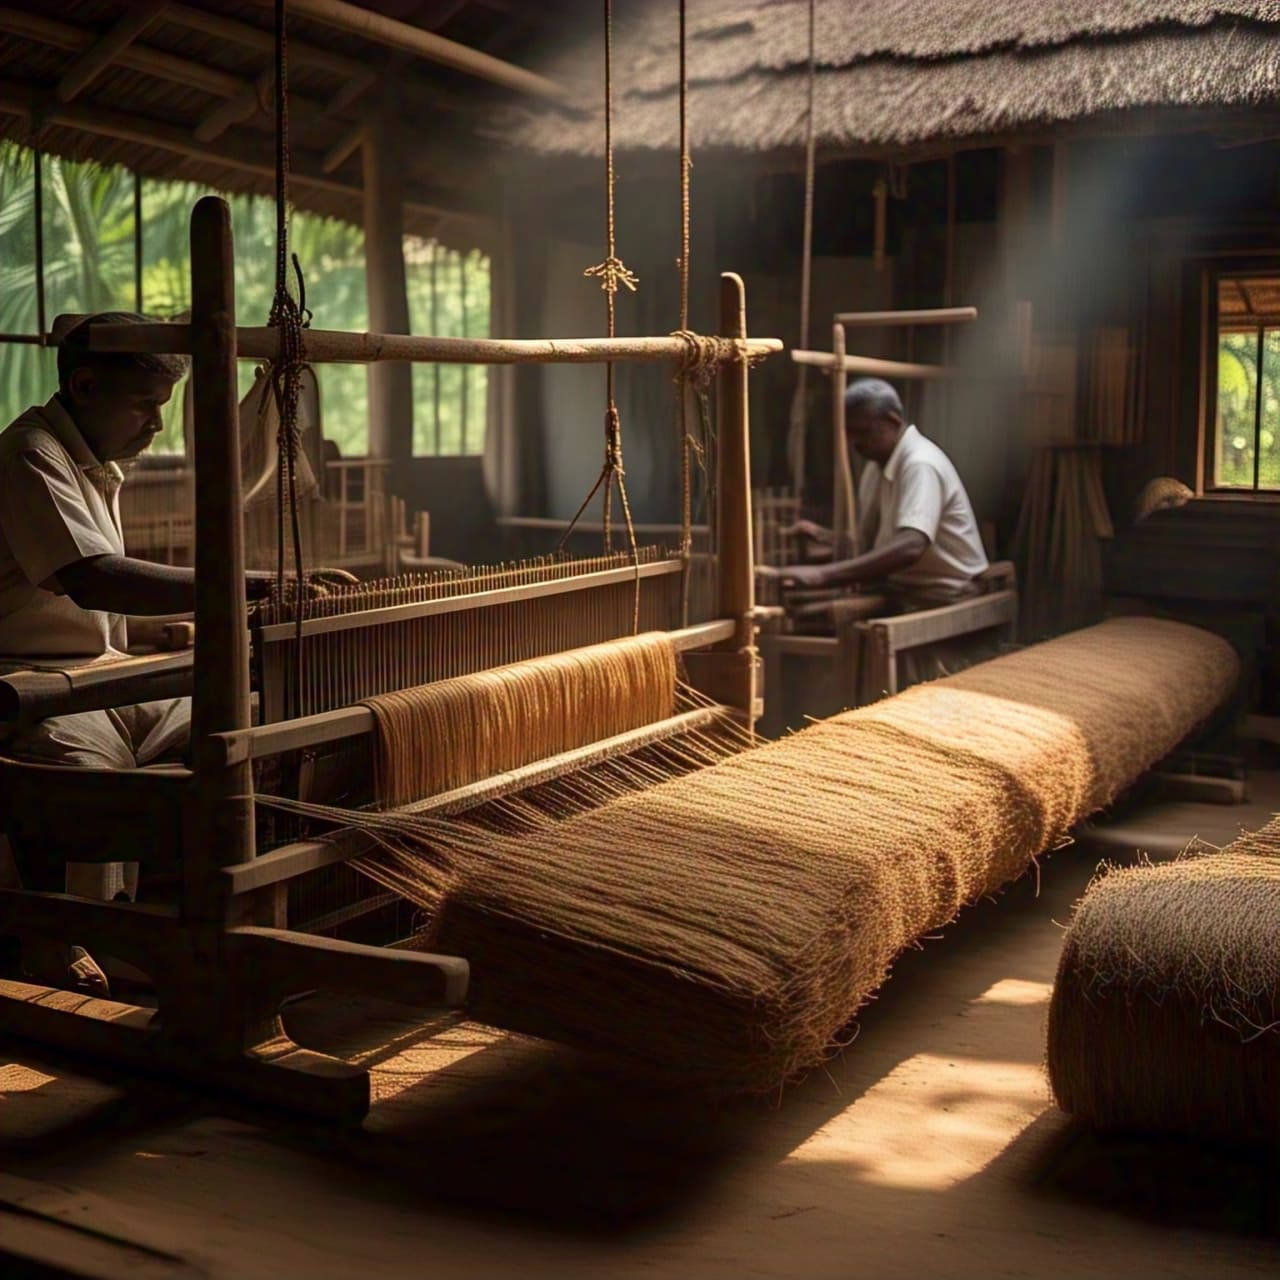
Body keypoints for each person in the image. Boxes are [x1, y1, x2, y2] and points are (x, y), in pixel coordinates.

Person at [0, 312, 349, 992]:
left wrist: (168, 633)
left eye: (162, 409)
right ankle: (68, 934)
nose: (156, 427)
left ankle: (219, 906)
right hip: (29, 680)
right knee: (99, 777)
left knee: (242, 723)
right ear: (86, 383)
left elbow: (86, 597)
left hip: (99, 675)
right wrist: (252, 585)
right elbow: (90, 575)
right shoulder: (30, 453)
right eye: (144, 408)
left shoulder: (93, 461)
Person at [761, 378, 988, 610]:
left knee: (820, 616)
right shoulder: (874, 468)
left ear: (892, 421)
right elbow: (878, 544)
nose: (853, 442)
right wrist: (824, 536)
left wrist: (821, 574)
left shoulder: (920, 463)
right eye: (848, 433)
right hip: (904, 588)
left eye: (862, 432)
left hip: (947, 593)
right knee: (801, 608)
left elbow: (912, 545)